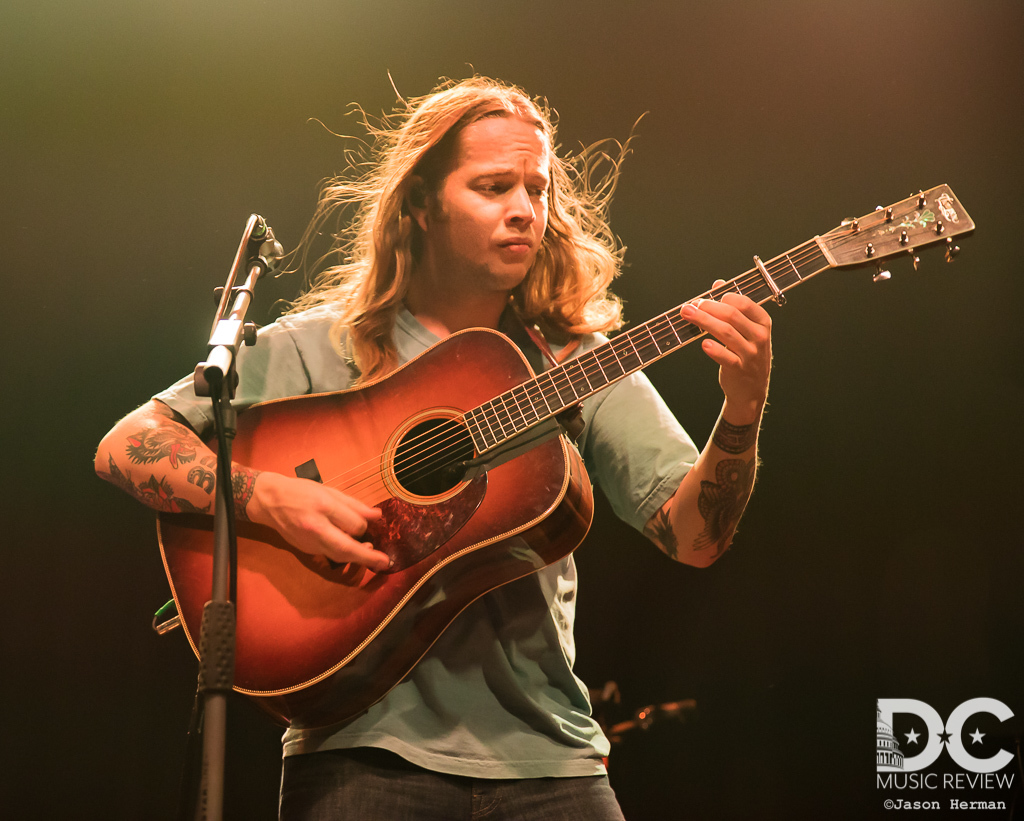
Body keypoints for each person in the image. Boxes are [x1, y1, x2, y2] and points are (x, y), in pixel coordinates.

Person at [95, 76, 772, 820]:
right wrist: (274, 498)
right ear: (419, 203)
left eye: (537, 189)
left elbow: (696, 537)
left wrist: (742, 407)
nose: (524, 209)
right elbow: (127, 445)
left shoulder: (577, 359)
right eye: (492, 186)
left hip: (552, 761)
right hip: (358, 752)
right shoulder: (323, 343)